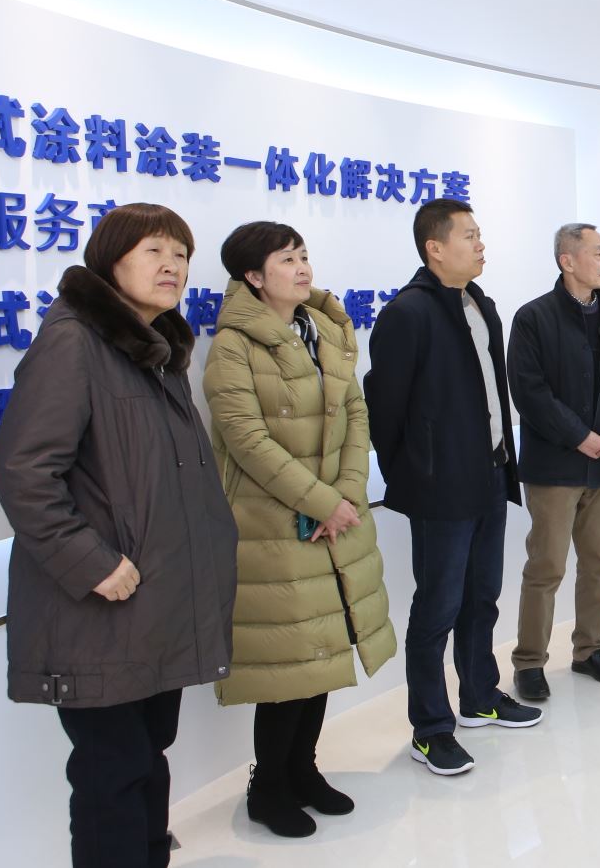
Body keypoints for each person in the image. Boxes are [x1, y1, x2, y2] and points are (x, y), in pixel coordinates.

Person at [0, 203, 237, 868]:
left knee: (146, 760)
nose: (172, 265)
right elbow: (24, 471)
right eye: (154, 250)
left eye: (181, 253)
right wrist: (92, 562)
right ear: (111, 260)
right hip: (98, 611)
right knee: (114, 773)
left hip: (153, 607)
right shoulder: (74, 342)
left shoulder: (156, 351)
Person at [202, 221, 395, 838]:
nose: (302, 267)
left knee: (324, 655)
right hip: (274, 528)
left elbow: (355, 413)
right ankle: (268, 787)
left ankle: (304, 770)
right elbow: (247, 440)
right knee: (287, 668)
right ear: (253, 276)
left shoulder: (321, 329)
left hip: (334, 518)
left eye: (303, 255)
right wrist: (321, 501)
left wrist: (346, 493)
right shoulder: (233, 347)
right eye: (286, 260)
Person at [365, 199, 541, 779]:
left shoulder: (479, 304)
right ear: (435, 248)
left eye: (480, 234)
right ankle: (431, 727)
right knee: (436, 607)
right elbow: (384, 410)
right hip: (441, 488)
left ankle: (479, 696)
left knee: (481, 597)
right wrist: (415, 475)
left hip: (489, 474)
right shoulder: (408, 313)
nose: (481, 244)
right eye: (469, 235)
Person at [507, 223, 600, 700]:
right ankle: (530, 661)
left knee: (599, 563)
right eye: (597, 252)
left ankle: (590, 650)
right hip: (555, 465)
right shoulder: (533, 317)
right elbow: (530, 392)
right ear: (567, 261)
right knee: (546, 567)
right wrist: (581, 437)